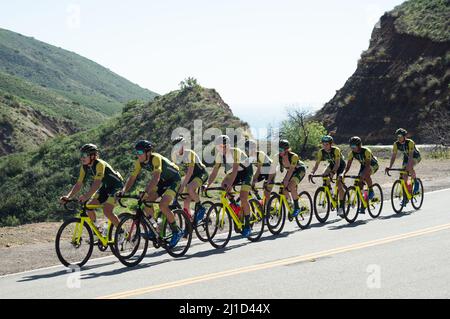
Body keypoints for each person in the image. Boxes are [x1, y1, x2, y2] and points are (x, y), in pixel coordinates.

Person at [117, 140, 183, 248]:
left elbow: (156, 177)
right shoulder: (139, 162)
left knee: (163, 205)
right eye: (136, 152)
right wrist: (123, 190)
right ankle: (155, 227)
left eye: (140, 152)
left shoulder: (156, 158)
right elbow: (132, 177)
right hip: (162, 181)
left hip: (173, 180)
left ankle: (176, 231)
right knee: (146, 202)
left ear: (148, 152)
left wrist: (146, 191)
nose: (137, 155)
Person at [60, 144, 124, 229]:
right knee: (89, 207)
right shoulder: (84, 167)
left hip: (117, 185)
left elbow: (96, 184)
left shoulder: (99, 164)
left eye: (85, 155)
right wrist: (68, 196)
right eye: (81, 155)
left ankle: (121, 232)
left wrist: (86, 196)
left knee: (107, 211)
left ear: (93, 156)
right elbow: (79, 184)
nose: (82, 158)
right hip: (106, 186)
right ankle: (98, 230)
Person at [206, 135, 253, 238]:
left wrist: (230, 185)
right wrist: (207, 185)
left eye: (223, 146)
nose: (221, 148)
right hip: (236, 173)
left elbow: (235, 169)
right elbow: (214, 172)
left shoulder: (235, 151)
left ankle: (248, 225)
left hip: (246, 172)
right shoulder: (219, 155)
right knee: (224, 185)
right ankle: (236, 206)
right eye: (219, 146)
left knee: (244, 197)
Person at [171, 136, 209, 226]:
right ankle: (189, 220)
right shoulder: (178, 156)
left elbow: (190, 171)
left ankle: (201, 207)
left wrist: (183, 185)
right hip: (192, 176)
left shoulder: (190, 153)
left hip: (201, 173)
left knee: (190, 188)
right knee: (186, 201)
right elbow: (180, 172)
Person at [309, 135, 346, 216]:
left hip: (340, 165)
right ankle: (332, 194)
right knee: (324, 176)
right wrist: (312, 172)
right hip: (332, 165)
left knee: (339, 184)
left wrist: (332, 173)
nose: (325, 146)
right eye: (323, 144)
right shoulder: (321, 152)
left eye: (327, 144)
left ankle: (342, 206)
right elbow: (316, 164)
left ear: (331, 144)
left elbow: (337, 164)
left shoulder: (336, 150)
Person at [344, 137, 379, 213]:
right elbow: (348, 166)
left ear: (359, 145)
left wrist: (362, 175)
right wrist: (343, 173)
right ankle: (364, 203)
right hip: (363, 166)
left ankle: (371, 190)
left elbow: (367, 166)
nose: (352, 148)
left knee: (365, 175)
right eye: (351, 146)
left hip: (372, 165)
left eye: (354, 146)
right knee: (359, 186)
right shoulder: (352, 153)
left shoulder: (366, 151)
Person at [385, 128, 421, 199]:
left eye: (400, 136)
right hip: (406, 158)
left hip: (415, 156)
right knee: (404, 175)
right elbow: (393, 156)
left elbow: (411, 155)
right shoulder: (396, 144)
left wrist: (408, 165)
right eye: (397, 136)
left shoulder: (410, 142)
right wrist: (390, 166)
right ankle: (407, 194)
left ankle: (416, 182)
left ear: (404, 136)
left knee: (409, 167)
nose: (399, 138)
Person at [275, 139, 307, 217]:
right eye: (278, 149)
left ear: (286, 150)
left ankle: (297, 208)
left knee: (291, 186)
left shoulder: (293, 156)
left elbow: (292, 170)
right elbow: (273, 169)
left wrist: (286, 180)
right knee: (283, 189)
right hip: (291, 171)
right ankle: (291, 206)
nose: (279, 151)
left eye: (281, 150)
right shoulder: (278, 157)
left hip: (300, 170)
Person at [244, 139, 276, 207]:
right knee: (250, 184)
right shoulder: (249, 158)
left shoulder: (260, 154)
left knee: (266, 192)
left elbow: (258, 170)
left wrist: (253, 181)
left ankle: (269, 207)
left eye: (250, 149)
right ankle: (259, 200)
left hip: (271, 172)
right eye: (247, 149)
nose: (248, 151)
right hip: (262, 172)